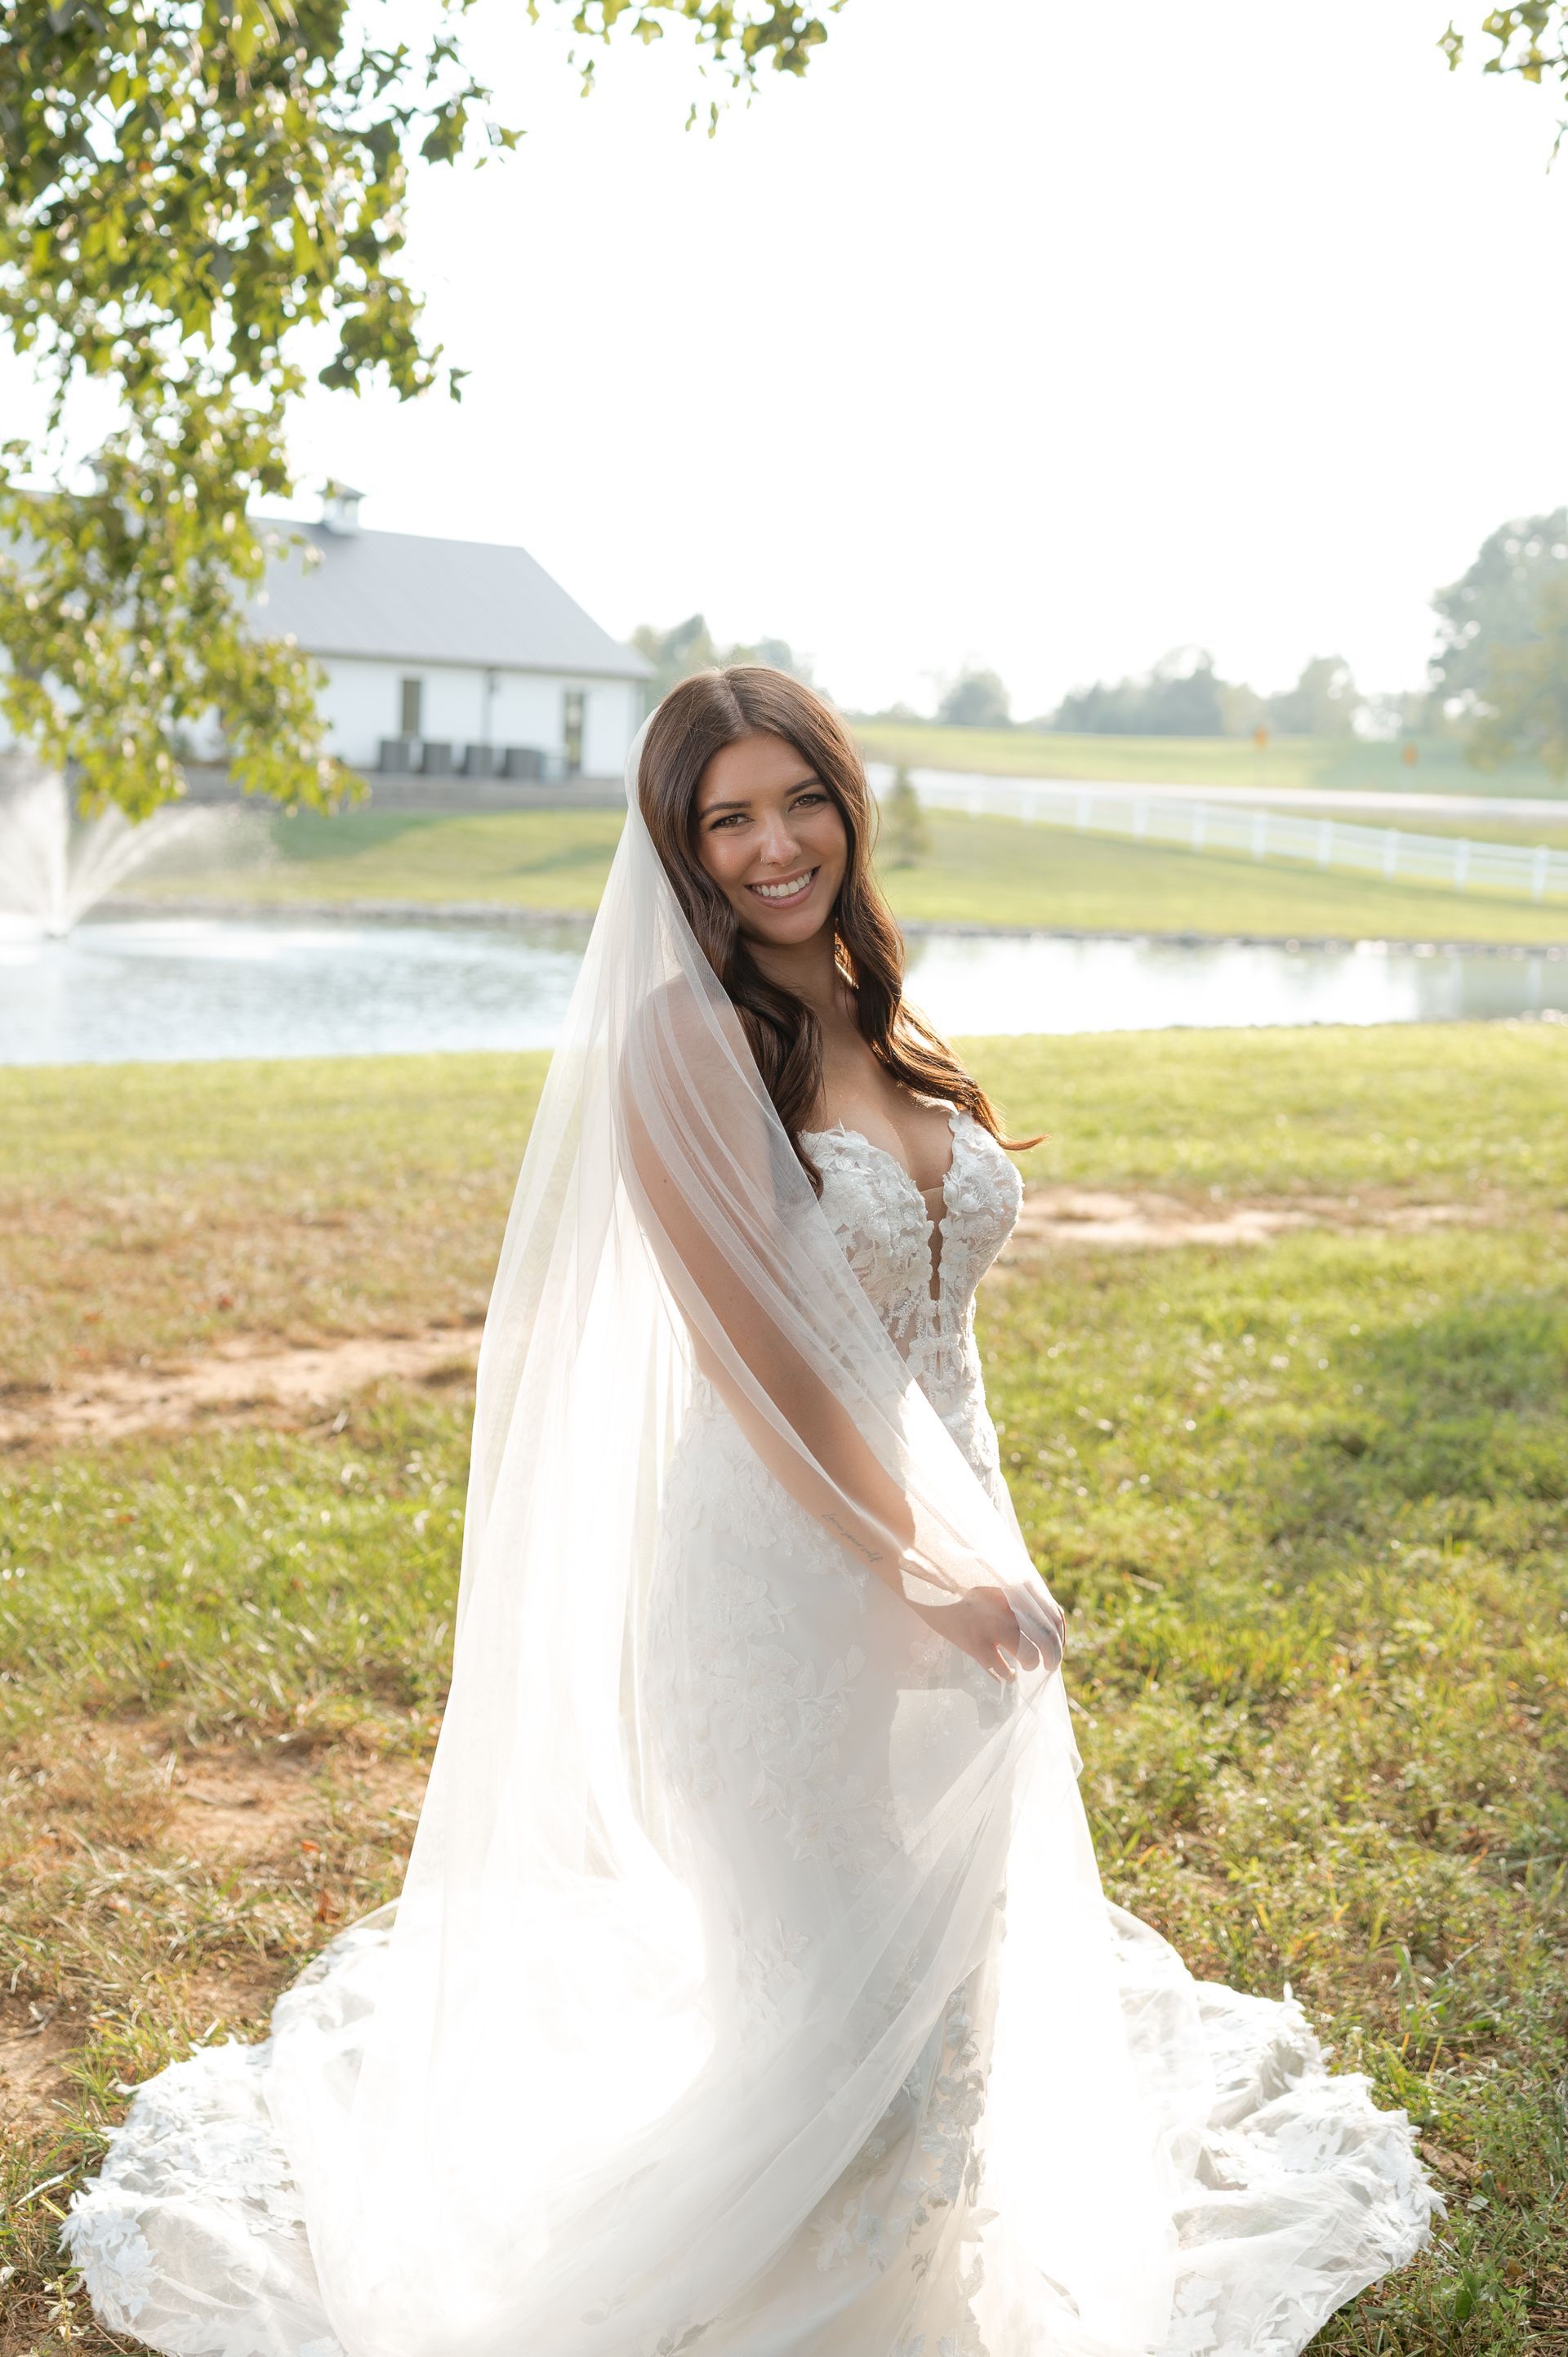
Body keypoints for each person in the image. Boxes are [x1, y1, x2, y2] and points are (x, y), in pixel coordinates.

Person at [67, 671, 1437, 2357]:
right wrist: (914, 1569)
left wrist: (978, 1548)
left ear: (847, 805)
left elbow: (937, 1340)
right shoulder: (684, 1044)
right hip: (788, 1572)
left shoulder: (884, 1012)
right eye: (729, 816)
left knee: (957, 1951)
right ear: (683, 848)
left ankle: (927, 2272)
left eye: (800, 798)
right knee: (847, 1978)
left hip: (960, 1530)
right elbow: (763, 1365)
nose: (774, 842)